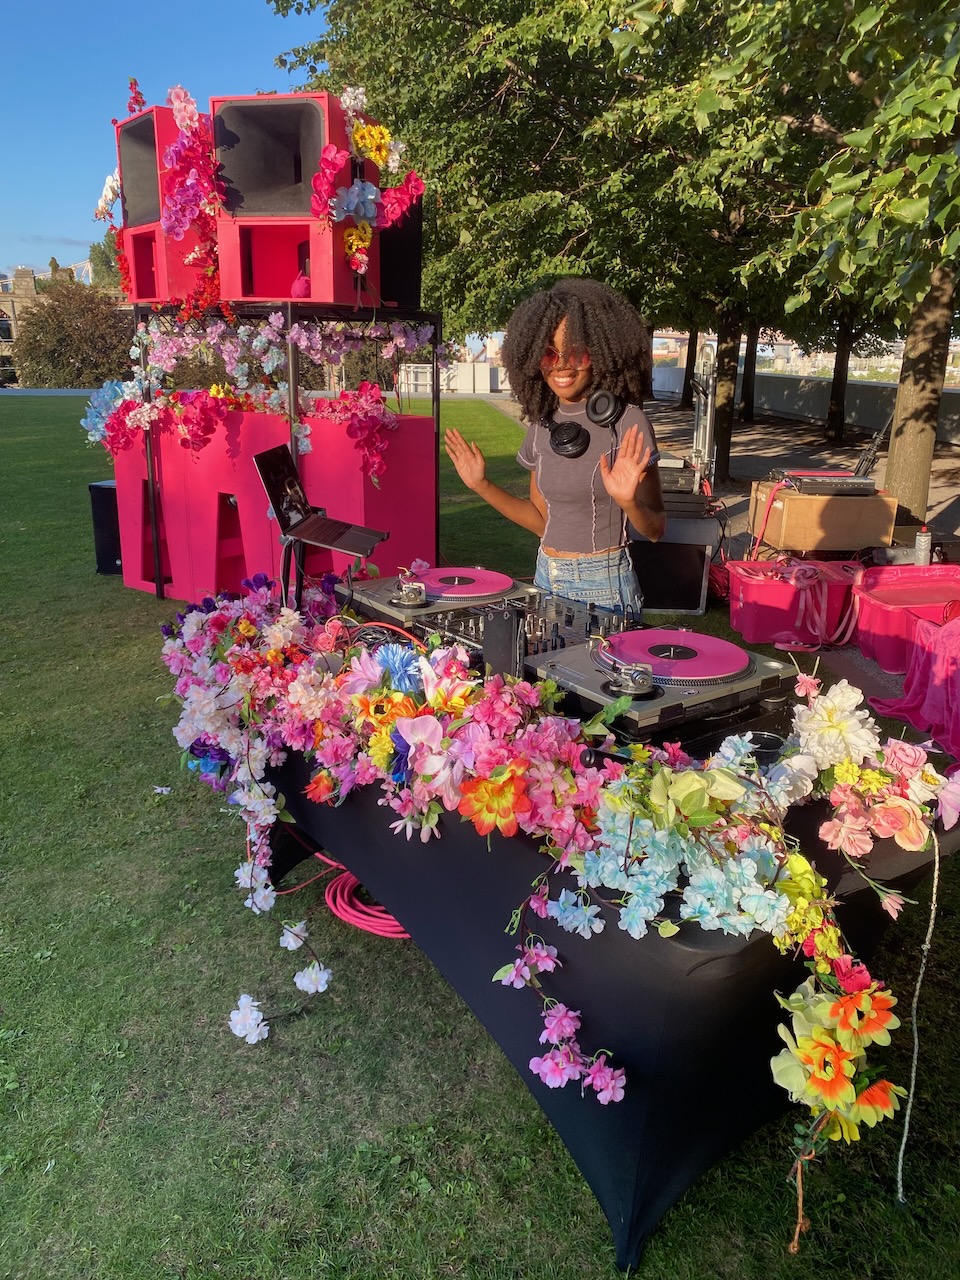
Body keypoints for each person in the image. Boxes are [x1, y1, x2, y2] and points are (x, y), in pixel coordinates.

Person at [443, 277, 665, 611]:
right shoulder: (542, 424)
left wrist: (628, 501)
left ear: (601, 352)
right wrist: (481, 485)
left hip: (603, 585)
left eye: (575, 352)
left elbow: (656, 530)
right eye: (548, 354)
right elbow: (541, 521)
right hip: (546, 575)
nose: (561, 365)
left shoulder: (628, 423)